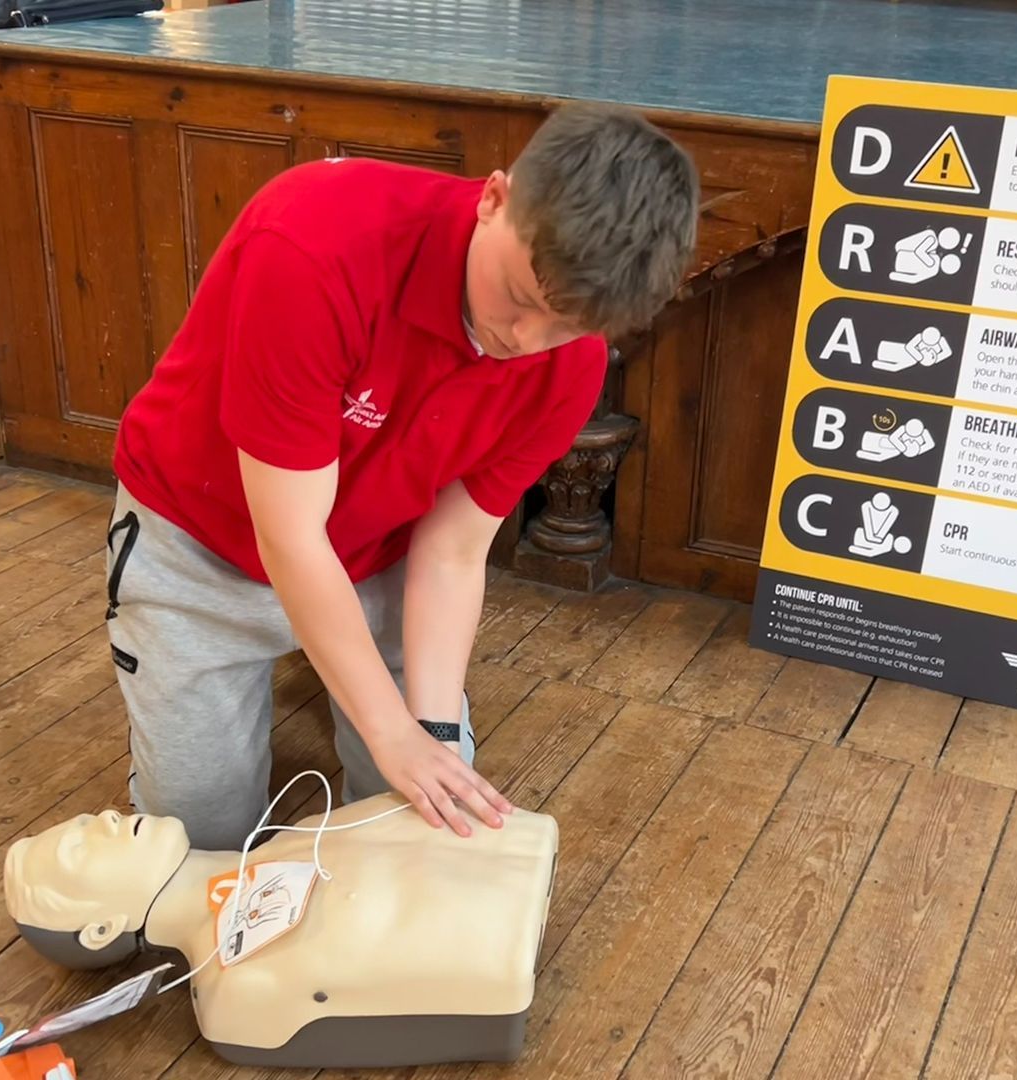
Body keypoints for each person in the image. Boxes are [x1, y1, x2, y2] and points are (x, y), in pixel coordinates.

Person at [103, 102, 700, 851]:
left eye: (567, 326)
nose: (522, 342)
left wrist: (431, 733)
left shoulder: (565, 368)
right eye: (517, 298)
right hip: (201, 544)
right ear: (493, 199)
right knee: (195, 846)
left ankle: (349, 698)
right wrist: (388, 729)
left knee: (427, 820)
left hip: (374, 559)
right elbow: (288, 536)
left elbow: (451, 554)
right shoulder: (315, 244)